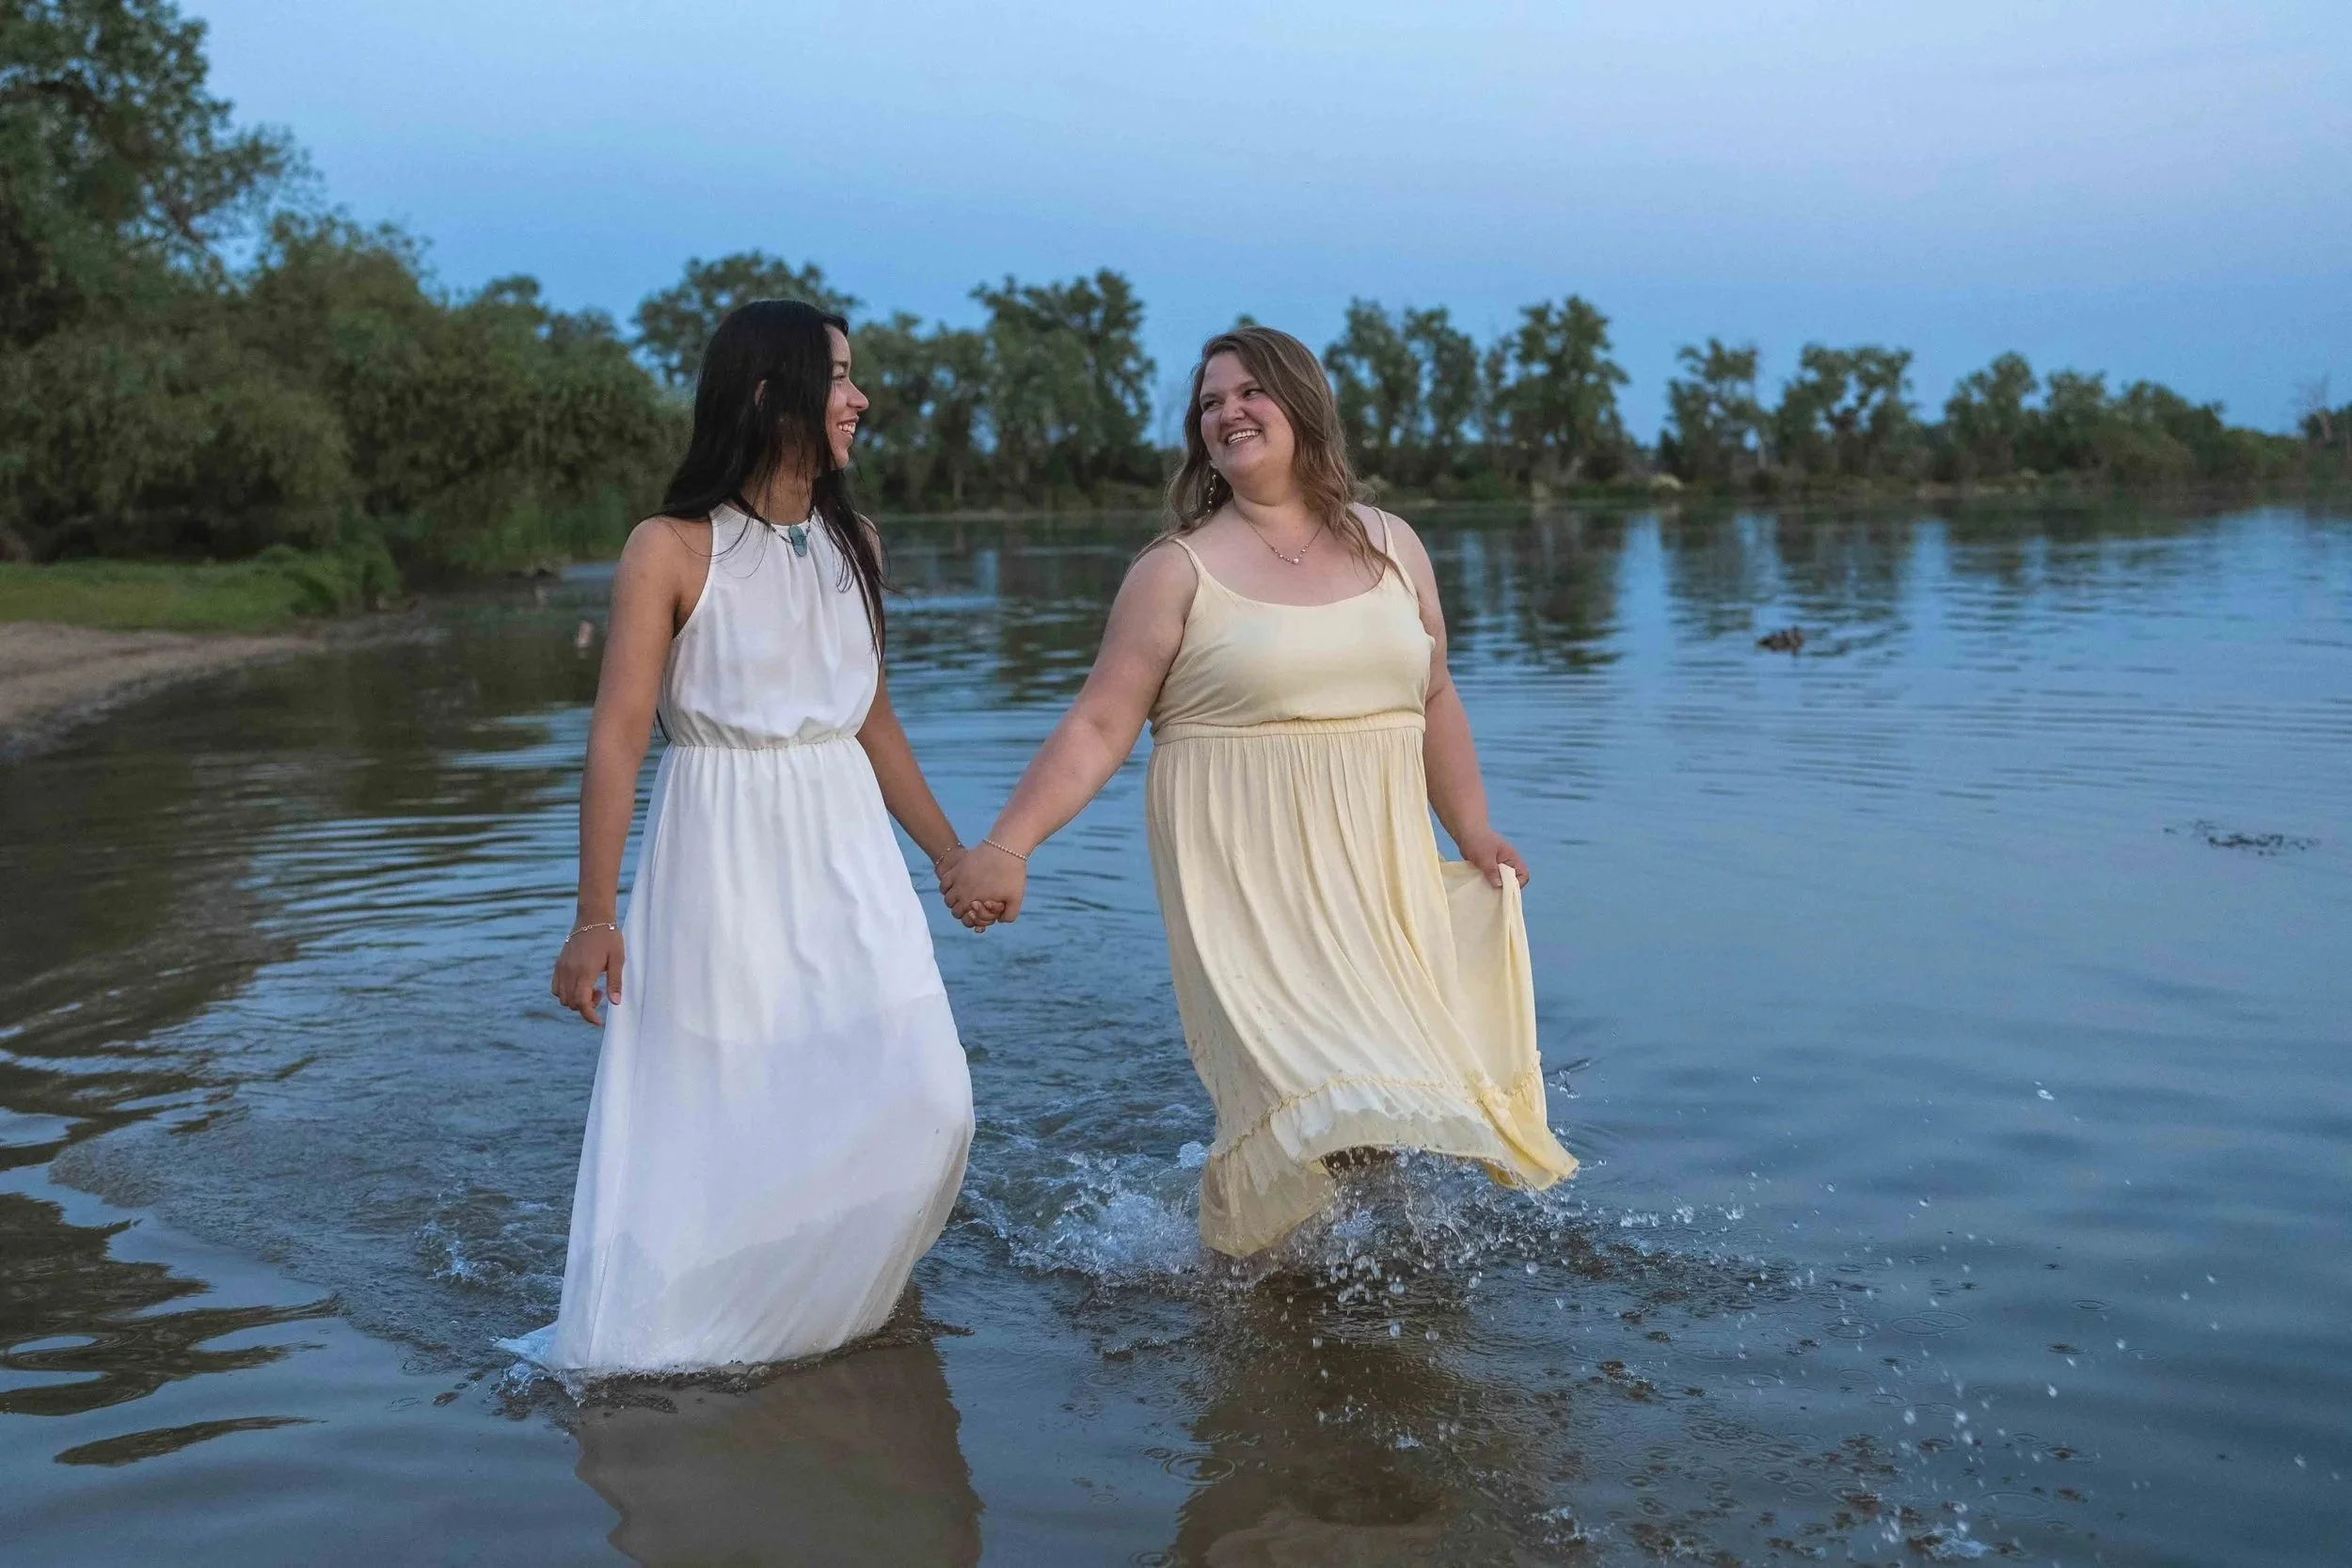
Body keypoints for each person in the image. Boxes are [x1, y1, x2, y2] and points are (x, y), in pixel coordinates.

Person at [942, 326, 1576, 1259]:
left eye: (1249, 392)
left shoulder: (1394, 546)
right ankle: (1245, 1266)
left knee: (1379, 1089)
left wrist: (1473, 828)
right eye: (1209, 402)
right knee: (1320, 1088)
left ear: (1302, 404)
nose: (1227, 411)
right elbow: (1098, 724)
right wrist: (1008, 843)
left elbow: (1435, 693)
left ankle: (1335, 1284)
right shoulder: (1175, 570)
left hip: (1375, 870)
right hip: (1250, 880)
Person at [505, 299, 977, 1377]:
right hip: (721, 842)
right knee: (730, 1097)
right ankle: (705, 1330)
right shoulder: (669, 547)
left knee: (931, 1100)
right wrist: (593, 916)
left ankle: (838, 1301)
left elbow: (872, 715)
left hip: (847, 844)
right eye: (840, 377)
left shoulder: (859, 540)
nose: (859, 398)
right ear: (771, 395)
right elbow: (619, 738)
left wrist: (948, 853)